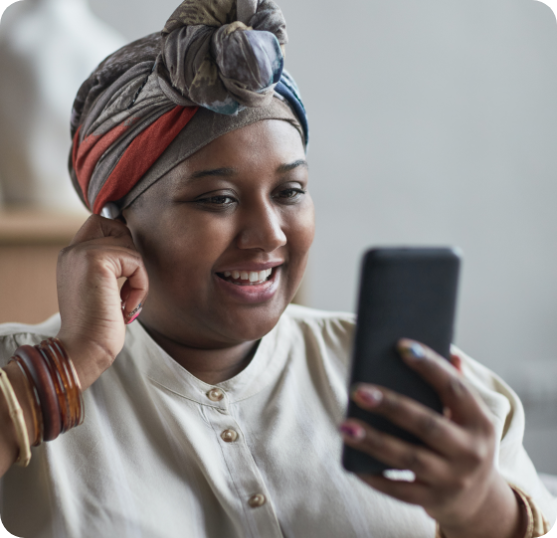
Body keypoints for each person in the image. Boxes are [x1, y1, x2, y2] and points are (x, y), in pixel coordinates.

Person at [0, 1, 555, 537]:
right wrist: (68, 366)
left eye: (290, 191)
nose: (270, 234)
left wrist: (485, 511)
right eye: (216, 199)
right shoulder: (12, 376)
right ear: (113, 225)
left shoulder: (428, 391)